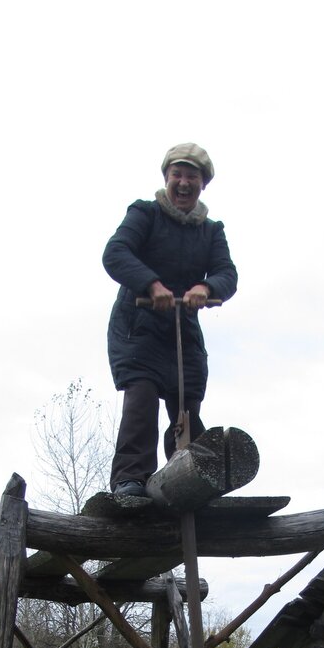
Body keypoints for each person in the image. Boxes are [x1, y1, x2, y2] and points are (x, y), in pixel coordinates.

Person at [103, 142, 238, 497]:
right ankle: (131, 479)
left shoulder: (211, 231)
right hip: (138, 326)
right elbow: (116, 253)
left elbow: (227, 273)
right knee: (142, 397)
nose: (183, 183)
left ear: (202, 184)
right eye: (177, 174)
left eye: (191, 177)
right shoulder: (145, 214)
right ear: (166, 178)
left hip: (182, 329)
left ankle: (191, 477)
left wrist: (206, 288)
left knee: (187, 404)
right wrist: (152, 284)